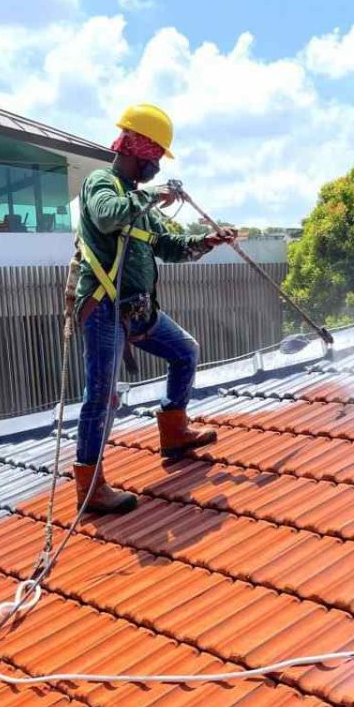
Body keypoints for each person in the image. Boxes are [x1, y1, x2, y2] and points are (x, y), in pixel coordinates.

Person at [73, 103, 236, 515]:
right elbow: (107, 218)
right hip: (105, 308)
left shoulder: (140, 201)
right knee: (101, 396)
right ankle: (90, 488)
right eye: (154, 160)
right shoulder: (102, 183)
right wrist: (150, 198)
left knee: (185, 351)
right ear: (133, 149)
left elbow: (170, 247)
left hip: (137, 309)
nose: (156, 169)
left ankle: (174, 433)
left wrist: (207, 242)